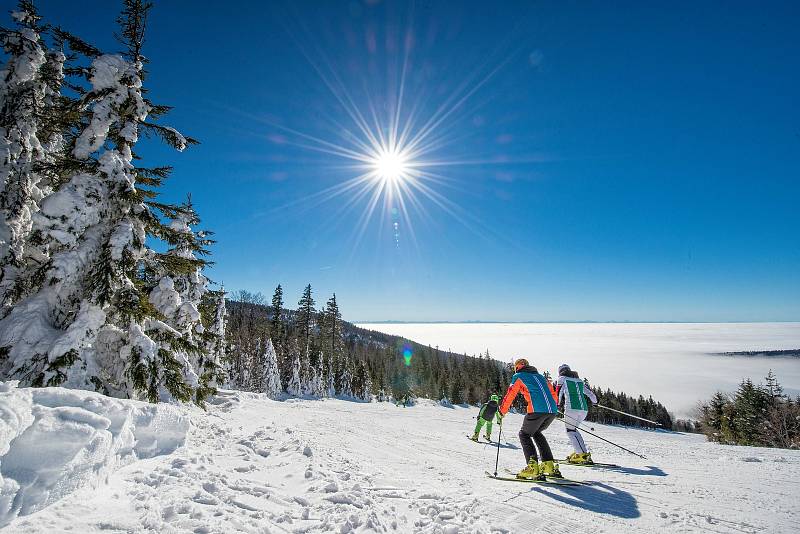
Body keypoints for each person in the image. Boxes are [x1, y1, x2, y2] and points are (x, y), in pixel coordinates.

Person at [498, 358, 561, 480]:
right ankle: (548, 465)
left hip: (537, 409)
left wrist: (502, 411)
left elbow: (510, 394)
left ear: (517, 367)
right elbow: (553, 393)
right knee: (536, 433)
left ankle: (532, 467)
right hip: (552, 411)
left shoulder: (519, 376)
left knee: (524, 434)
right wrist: (553, 406)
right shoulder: (541, 377)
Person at [555, 363, 597, 465]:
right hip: (584, 410)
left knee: (570, 431)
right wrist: (595, 402)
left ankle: (581, 455)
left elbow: (558, 392)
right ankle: (581, 452)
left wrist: (557, 404)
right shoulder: (579, 380)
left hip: (571, 409)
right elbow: (590, 394)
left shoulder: (562, 379)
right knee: (573, 430)